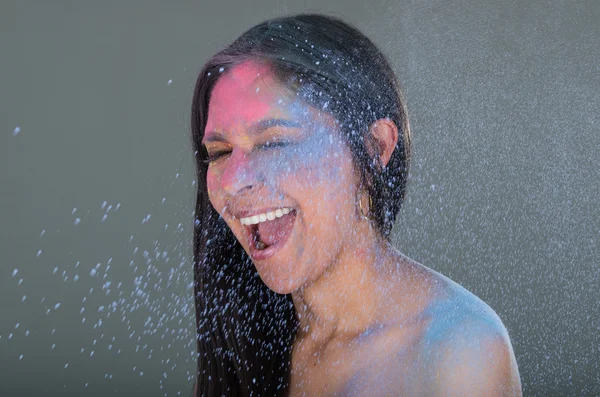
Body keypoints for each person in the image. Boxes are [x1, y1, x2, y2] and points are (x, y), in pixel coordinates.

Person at [190, 13, 521, 397]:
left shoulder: (458, 352)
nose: (232, 180)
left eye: (274, 142)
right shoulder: (244, 339)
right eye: (220, 152)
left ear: (373, 148)